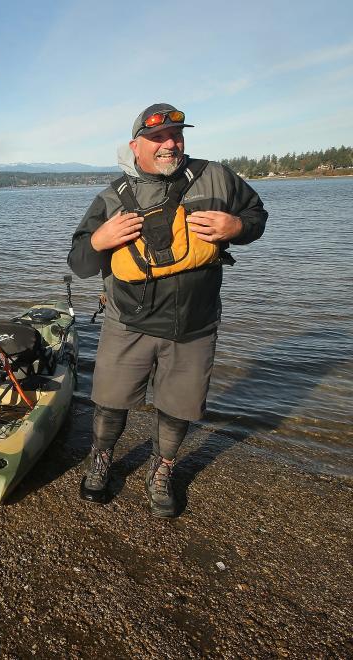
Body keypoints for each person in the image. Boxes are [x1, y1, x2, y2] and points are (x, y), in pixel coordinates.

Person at [67, 103, 268, 517]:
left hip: (194, 324)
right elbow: (79, 263)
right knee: (110, 401)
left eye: (176, 135)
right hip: (128, 323)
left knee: (180, 406)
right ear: (135, 145)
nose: (170, 144)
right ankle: (102, 458)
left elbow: (256, 215)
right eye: (158, 138)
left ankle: (162, 469)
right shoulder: (111, 198)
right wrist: (100, 240)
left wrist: (237, 228)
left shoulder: (217, 176)